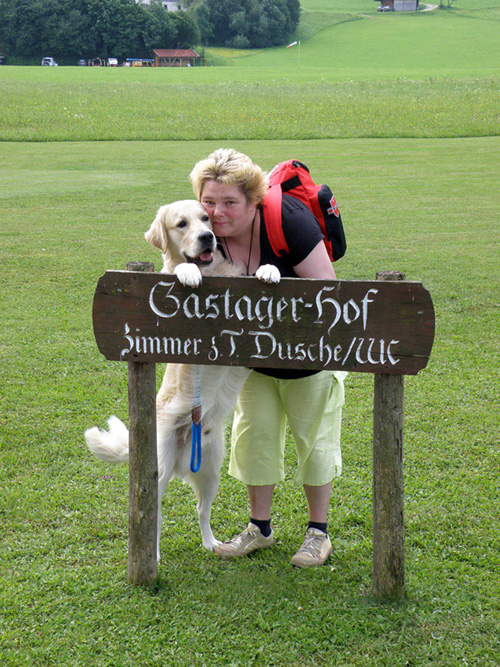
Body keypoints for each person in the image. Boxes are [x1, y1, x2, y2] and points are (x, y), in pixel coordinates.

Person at [190, 148, 346, 568]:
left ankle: (318, 534)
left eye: (229, 202)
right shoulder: (205, 233)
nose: (217, 213)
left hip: (308, 356)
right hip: (252, 361)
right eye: (209, 201)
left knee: (313, 442)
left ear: (253, 201)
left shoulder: (289, 221)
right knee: (253, 439)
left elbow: (326, 290)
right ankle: (259, 528)